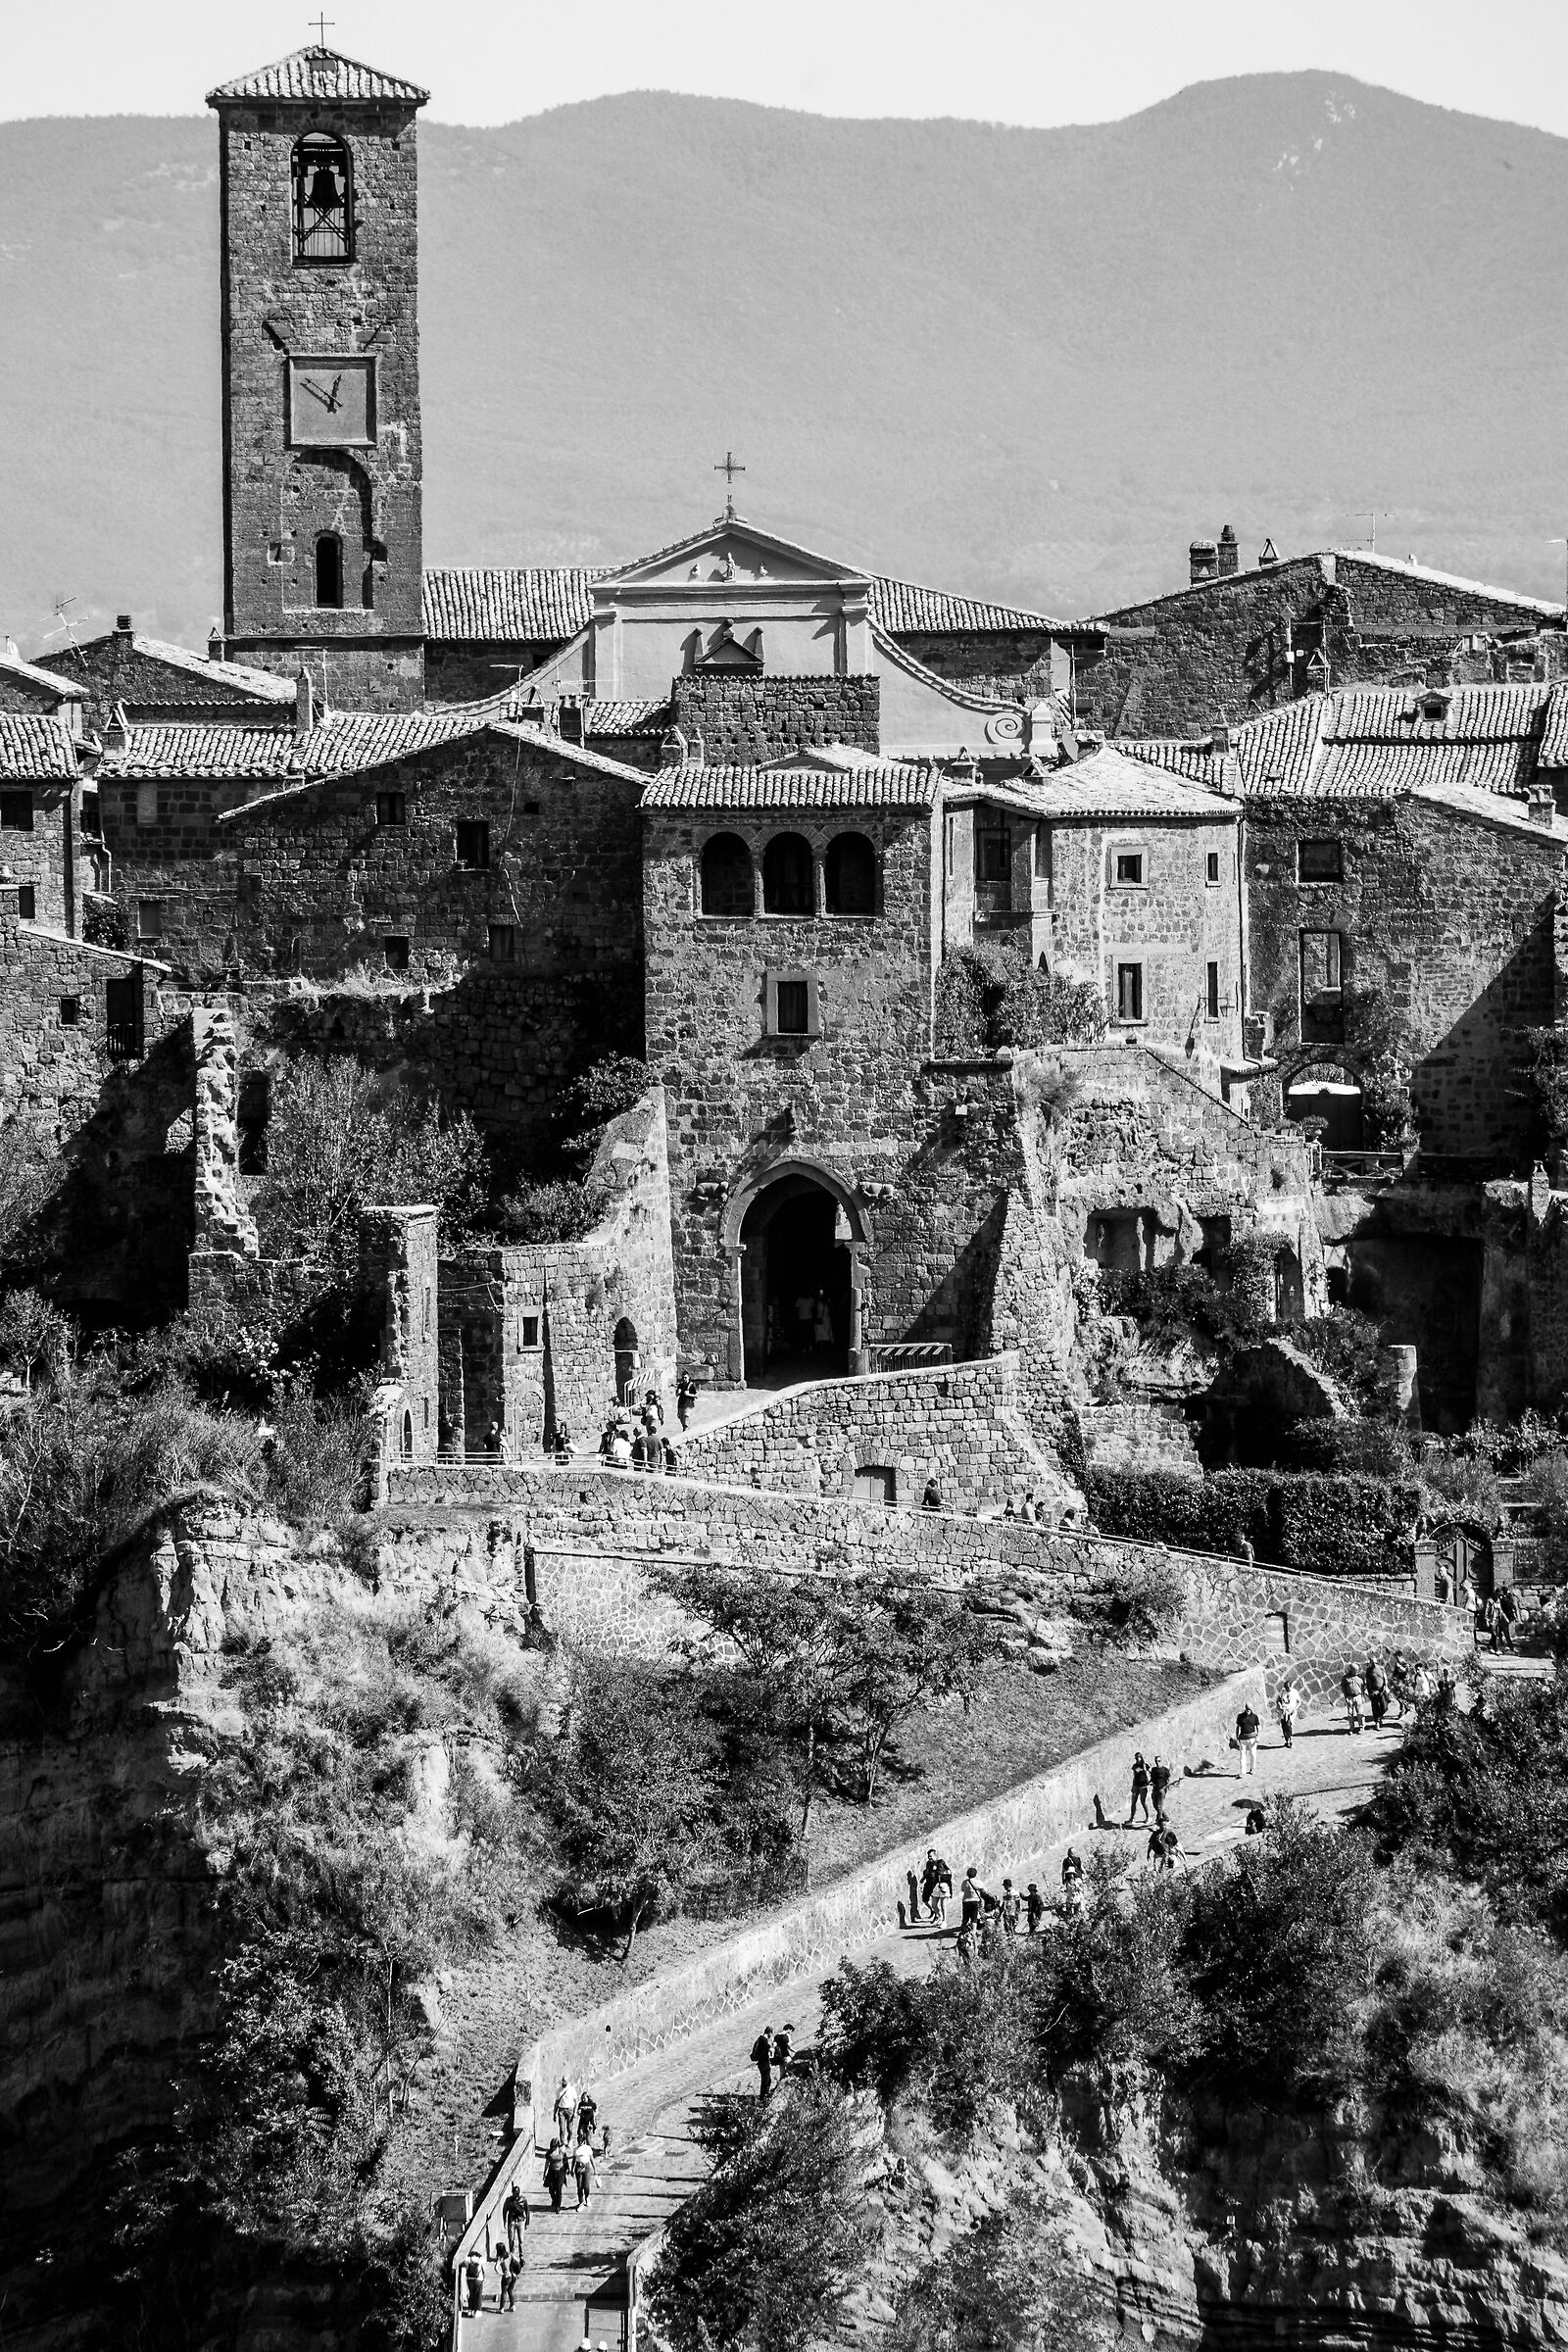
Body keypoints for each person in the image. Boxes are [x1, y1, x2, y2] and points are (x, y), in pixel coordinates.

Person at [542, 2136, 569, 2214]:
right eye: (552, 2147)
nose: (553, 2148)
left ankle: (558, 2206)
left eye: (555, 2147)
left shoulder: (561, 2151)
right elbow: (547, 2163)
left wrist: (568, 2169)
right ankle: (554, 2200)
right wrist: (544, 2173)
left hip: (560, 2171)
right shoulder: (549, 2153)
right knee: (551, 2189)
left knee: (558, 2188)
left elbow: (565, 2160)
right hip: (552, 2171)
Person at [502, 2182, 529, 2258]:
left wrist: (527, 2223)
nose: (516, 2195)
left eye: (517, 2193)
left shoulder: (523, 2199)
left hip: (520, 2221)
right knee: (511, 2239)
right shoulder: (508, 2200)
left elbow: (527, 2211)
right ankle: (511, 2253)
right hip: (512, 2221)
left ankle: (521, 2255)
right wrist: (504, 2221)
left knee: (521, 2240)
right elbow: (504, 2211)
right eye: (515, 2193)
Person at [1235, 1699, 1260, 1778]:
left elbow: (1258, 1727)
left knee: (1253, 1754)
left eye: (1249, 1709)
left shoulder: (1255, 1717)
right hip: (1242, 1738)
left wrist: (1258, 1736)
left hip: (1252, 1738)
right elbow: (1237, 1727)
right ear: (1245, 1708)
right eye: (1247, 1709)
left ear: (1251, 1708)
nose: (1248, 1710)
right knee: (1242, 1755)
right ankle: (1243, 1771)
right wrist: (1236, 1737)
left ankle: (1253, 1768)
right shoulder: (1240, 1716)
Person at [572, 2137, 601, 2208]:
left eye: (581, 2141)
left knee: (586, 2185)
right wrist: (572, 2169)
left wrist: (595, 2169)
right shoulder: (575, 2149)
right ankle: (581, 2202)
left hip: (586, 2167)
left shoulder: (587, 2148)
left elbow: (591, 2159)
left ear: (584, 2141)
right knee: (579, 2186)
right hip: (578, 2167)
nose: (580, 2143)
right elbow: (574, 2159)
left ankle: (587, 2198)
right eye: (579, 2141)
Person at [1127, 1750, 1152, 1825]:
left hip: (1143, 1786)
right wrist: (1132, 1786)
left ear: (1141, 1758)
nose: (1138, 1759)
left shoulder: (1145, 1766)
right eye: (1136, 1758)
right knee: (1133, 1802)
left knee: (1143, 1802)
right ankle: (1132, 1818)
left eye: (1139, 1758)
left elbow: (1151, 1773)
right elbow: (1134, 1776)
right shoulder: (1134, 1766)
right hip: (1136, 1786)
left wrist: (1150, 1781)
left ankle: (1148, 1817)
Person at [750, 2026, 774, 2099]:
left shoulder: (760, 2039)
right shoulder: (764, 2040)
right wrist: (773, 2047)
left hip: (761, 2062)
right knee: (766, 2080)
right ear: (769, 2033)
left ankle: (763, 2095)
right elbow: (770, 2049)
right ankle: (763, 2096)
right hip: (764, 2063)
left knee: (767, 2080)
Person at [554, 2075, 578, 2143]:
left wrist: (575, 2111)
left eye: (565, 2082)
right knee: (562, 2128)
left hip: (570, 2110)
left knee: (569, 2128)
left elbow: (576, 2101)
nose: (564, 2083)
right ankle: (562, 2143)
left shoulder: (572, 2089)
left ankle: (569, 2140)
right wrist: (554, 2114)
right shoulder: (558, 2090)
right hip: (561, 2110)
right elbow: (556, 2102)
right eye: (563, 2082)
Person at [1342, 1662, 1365, 1735]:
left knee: (1360, 1713)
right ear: (1351, 1670)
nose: (1356, 1671)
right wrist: (1346, 1697)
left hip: (1358, 1696)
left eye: (1357, 1670)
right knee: (1350, 1714)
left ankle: (1361, 1727)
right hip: (1350, 1697)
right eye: (1355, 1670)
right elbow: (1343, 1688)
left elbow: (1363, 1687)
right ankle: (1351, 1728)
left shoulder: (1360, 1677)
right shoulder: (1345, 1678)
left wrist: (1362, 1696)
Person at [1366, 1655, 1389, 1728]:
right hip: (1374, 1691)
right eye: (1372, 1662)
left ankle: (1380, 1717)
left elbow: (1385, 1679)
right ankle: (1377, 1722)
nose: (1373, 1664)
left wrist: (1384, 1688)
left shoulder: (1381, 1668)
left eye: (1374, 1662)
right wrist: (1371, 1691)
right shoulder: (1369, 1671)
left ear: (1376, 1661)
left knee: (1384, 1707)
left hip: (1382, 1691)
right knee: (1375, 1707)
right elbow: (1368, 1682)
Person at [1277, 1678, 1299, 1748]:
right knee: (1284, 1726)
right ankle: (1286, 1741)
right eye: (1286, 1688)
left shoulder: (1294, 1692)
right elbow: (1278, 1700)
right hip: (1283, 1711)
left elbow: (1299, 1702)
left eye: (1288, 1688)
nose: (1287, 1689)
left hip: (1291, 1712)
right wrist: (1280, 1706)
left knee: (1289, 1725)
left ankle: (1291, 1740)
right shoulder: (1282, 1691)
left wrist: (1294, 1709)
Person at [1150, 1756, 1172, 1822]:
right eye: (1156, 1761)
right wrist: (1150, 1782)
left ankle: (1159, 1820)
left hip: (1162, 1789)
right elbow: (1152, 1778)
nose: (1157, 1762)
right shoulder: (1153, 1770)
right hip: (1155, 1789)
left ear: (1161, 1761)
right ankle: (1166, 1817)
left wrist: (1164, 1788)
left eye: (1159, 1761)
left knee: (1159, 1806)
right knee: (1155, 1805)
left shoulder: (1165, 1770)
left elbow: (1168, 1781)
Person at [1497, 1585, 1520, 1650]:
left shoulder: (1503, 1599)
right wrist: (1516, 1616)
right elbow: (1515, 1607)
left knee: (1503, 1632)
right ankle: (1506, 1645)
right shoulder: (1510, 1598)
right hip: (1509, 1617)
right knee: (1502, 1632)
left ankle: (1509, 1646)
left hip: (1504, 1617)